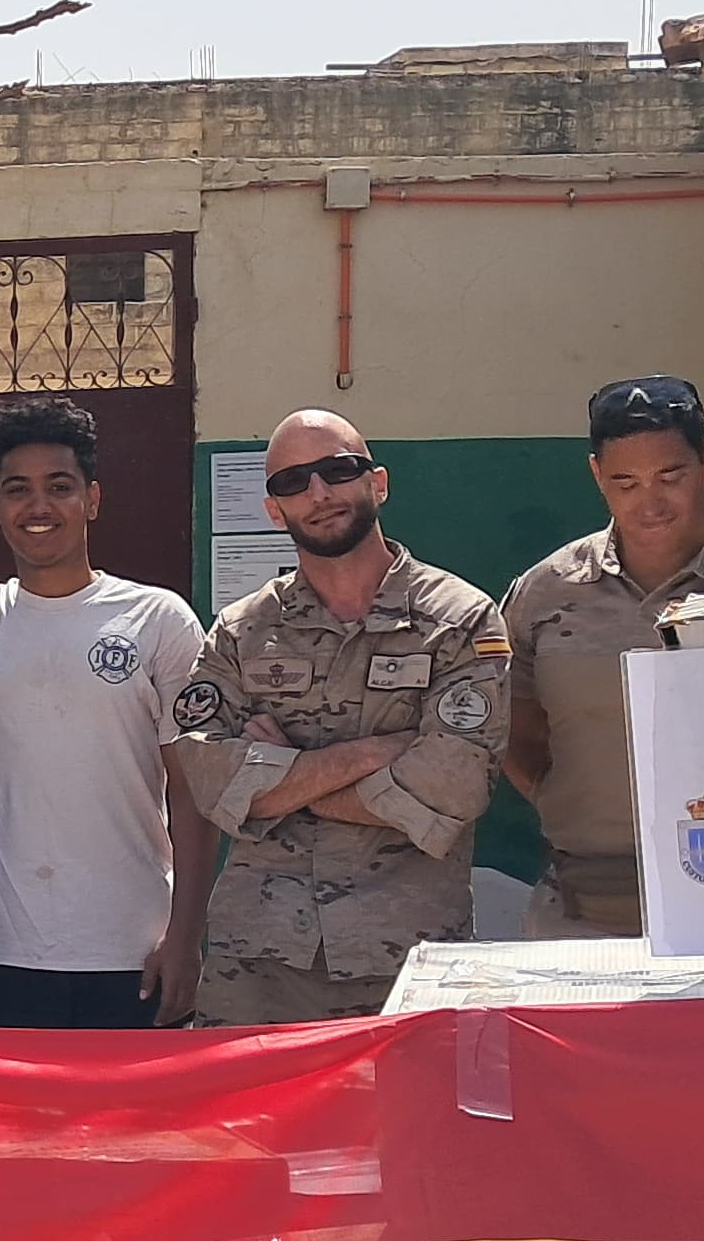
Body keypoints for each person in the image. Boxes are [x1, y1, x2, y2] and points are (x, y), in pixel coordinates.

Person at [166, 410, 507, 1021]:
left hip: (409, 961)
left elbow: (452, 786)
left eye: (336, 471)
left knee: (409, 1120)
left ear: (377, 483)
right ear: (275, 511)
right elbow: (212, 780)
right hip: (258, 968)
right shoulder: (242, 632)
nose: (317, 493)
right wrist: (375, 753)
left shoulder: (462, 622)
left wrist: (281, 780)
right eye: (292, 483)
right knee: (249, 1119)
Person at [499, 374, 704, 939]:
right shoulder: (548, 592)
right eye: (625, 482)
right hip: (584, 904)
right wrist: (567, 801)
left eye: (671, 476)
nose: (650, 502)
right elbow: (517, 729)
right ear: (597, 475)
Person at [0, 400, 215, 1027]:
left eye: (59, 488)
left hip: (133, 949)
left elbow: (195, 793)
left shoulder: (160, 621)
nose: (39, 508)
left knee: (138, 1128)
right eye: (19, 490)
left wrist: (185, 938)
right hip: (2, 953)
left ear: (92, 499)